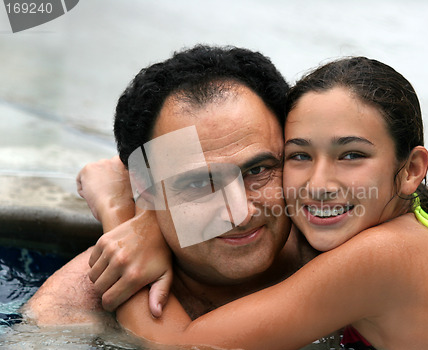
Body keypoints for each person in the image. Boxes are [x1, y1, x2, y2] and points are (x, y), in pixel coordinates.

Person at [111, 57, 428, 350]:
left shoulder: (382, 255)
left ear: (412, 169)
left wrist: (120, 217)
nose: (318, 184)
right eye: (299, 155)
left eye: (351, 155)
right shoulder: (409, 231)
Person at [23, 45, 316, 325]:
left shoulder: (333, 248)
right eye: (200, 183)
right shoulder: (69, 309)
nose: (238, 212)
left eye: (257, 170)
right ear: (146, 188)